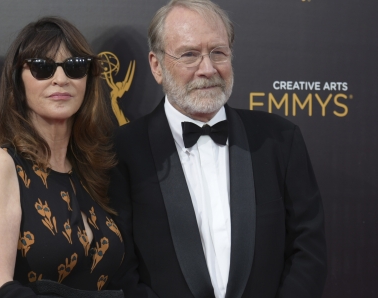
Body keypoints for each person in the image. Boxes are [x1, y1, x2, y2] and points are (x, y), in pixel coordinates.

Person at [109, 1, 327, 297]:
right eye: (189, 55)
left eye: (218, 53)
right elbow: (118, 266)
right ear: (157, 66)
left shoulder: (279, 140)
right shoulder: (121, 150)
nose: (208, 69)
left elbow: (308, 250)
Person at [0, 17, 124, 298]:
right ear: (18, 80)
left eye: (75, 67)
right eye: (43, 68)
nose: (61, 79)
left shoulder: (96, 170)